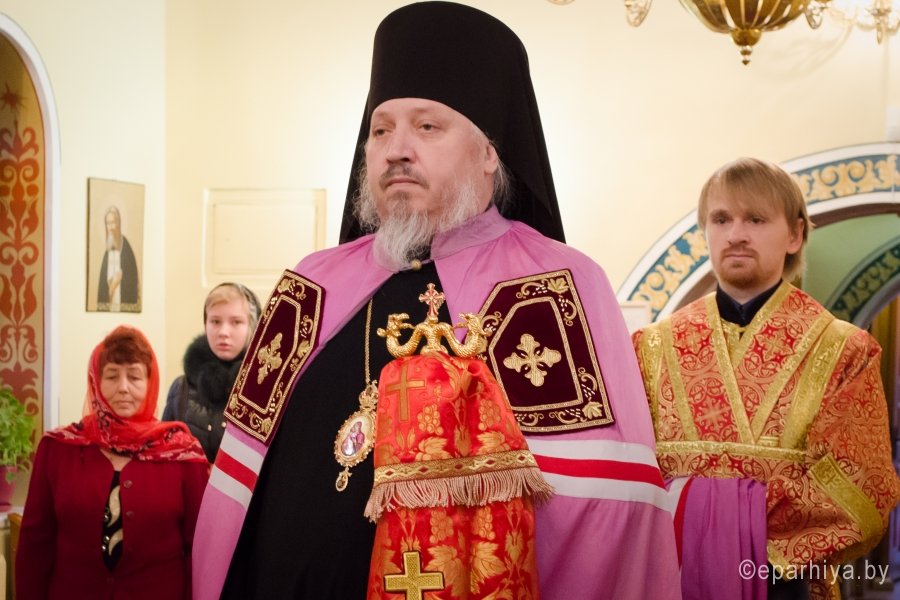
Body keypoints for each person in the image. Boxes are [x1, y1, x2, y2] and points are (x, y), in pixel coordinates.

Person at [193, 3, 681, 599]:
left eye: (427, 127)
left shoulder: (557, 288)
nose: (396, 149)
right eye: (381, 130)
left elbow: (604, 518)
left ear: (490, 153)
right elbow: (239, 493)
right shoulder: (310, 286)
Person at [632, 157, 900, 599]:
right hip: (669, 577)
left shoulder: (843, 351)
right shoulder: (650, 347)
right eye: (721, 219)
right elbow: (629, 471)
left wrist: (719, 529)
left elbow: (860, 488)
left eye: (756, 219)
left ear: (794, 235)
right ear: (706, 232)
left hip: (784, 584)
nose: (736, 234)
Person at [16, 325, 209, 600]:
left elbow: (198, 550)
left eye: (135, 376)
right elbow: (35, 546)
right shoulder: (58, 448)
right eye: (111, 376)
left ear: (150, 382)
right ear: (96, 381)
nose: (123, 388)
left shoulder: (183, 455)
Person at [164, 282, 261, 462]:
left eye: (236, 322)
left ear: (253, 327)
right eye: (215, 321)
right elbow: (165, 458)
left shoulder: (268, 390)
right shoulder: (181, 389)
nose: (224, 332)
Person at [97, 205, 140, 312]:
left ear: (119, 223)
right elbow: (102, 292)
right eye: (108, 223)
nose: (110, 227)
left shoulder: (127, 251)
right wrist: (112, 287)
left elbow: (132, 284)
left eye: (113, 222)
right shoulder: (106, 253)